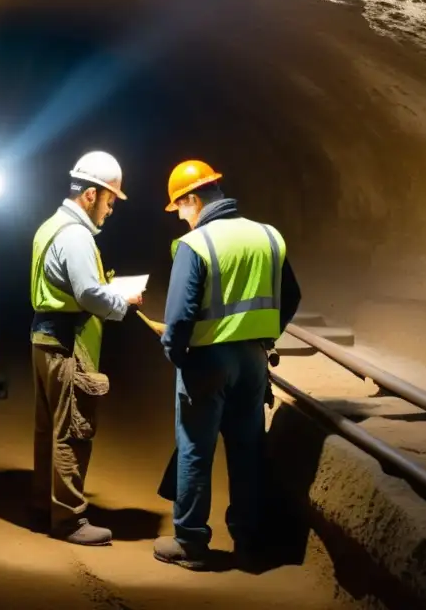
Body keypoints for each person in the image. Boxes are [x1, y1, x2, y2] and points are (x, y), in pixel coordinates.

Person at [152, 159, 301, 570]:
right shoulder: (269, 237)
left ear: (193, 199)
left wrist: (177, 355)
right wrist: (264, 337)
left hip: (206, 361)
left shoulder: (196, 245)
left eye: (180, 209)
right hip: (253, 361)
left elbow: (180, 317)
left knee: (195, 449)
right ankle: (249, 541)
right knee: (247, 450)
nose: (181, 219)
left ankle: (192, 542)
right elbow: (292, 297)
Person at [29, 150, 144, 546]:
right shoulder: (76, 235)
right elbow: (88, 293)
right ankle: (70, 520)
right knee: (71, 432)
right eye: (111, 199)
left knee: (48, 429)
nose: (111, 209)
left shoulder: (51, 226)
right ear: (91, 195)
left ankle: (45, 505)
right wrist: (122, 301)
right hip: (66, 346)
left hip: (44, 339)